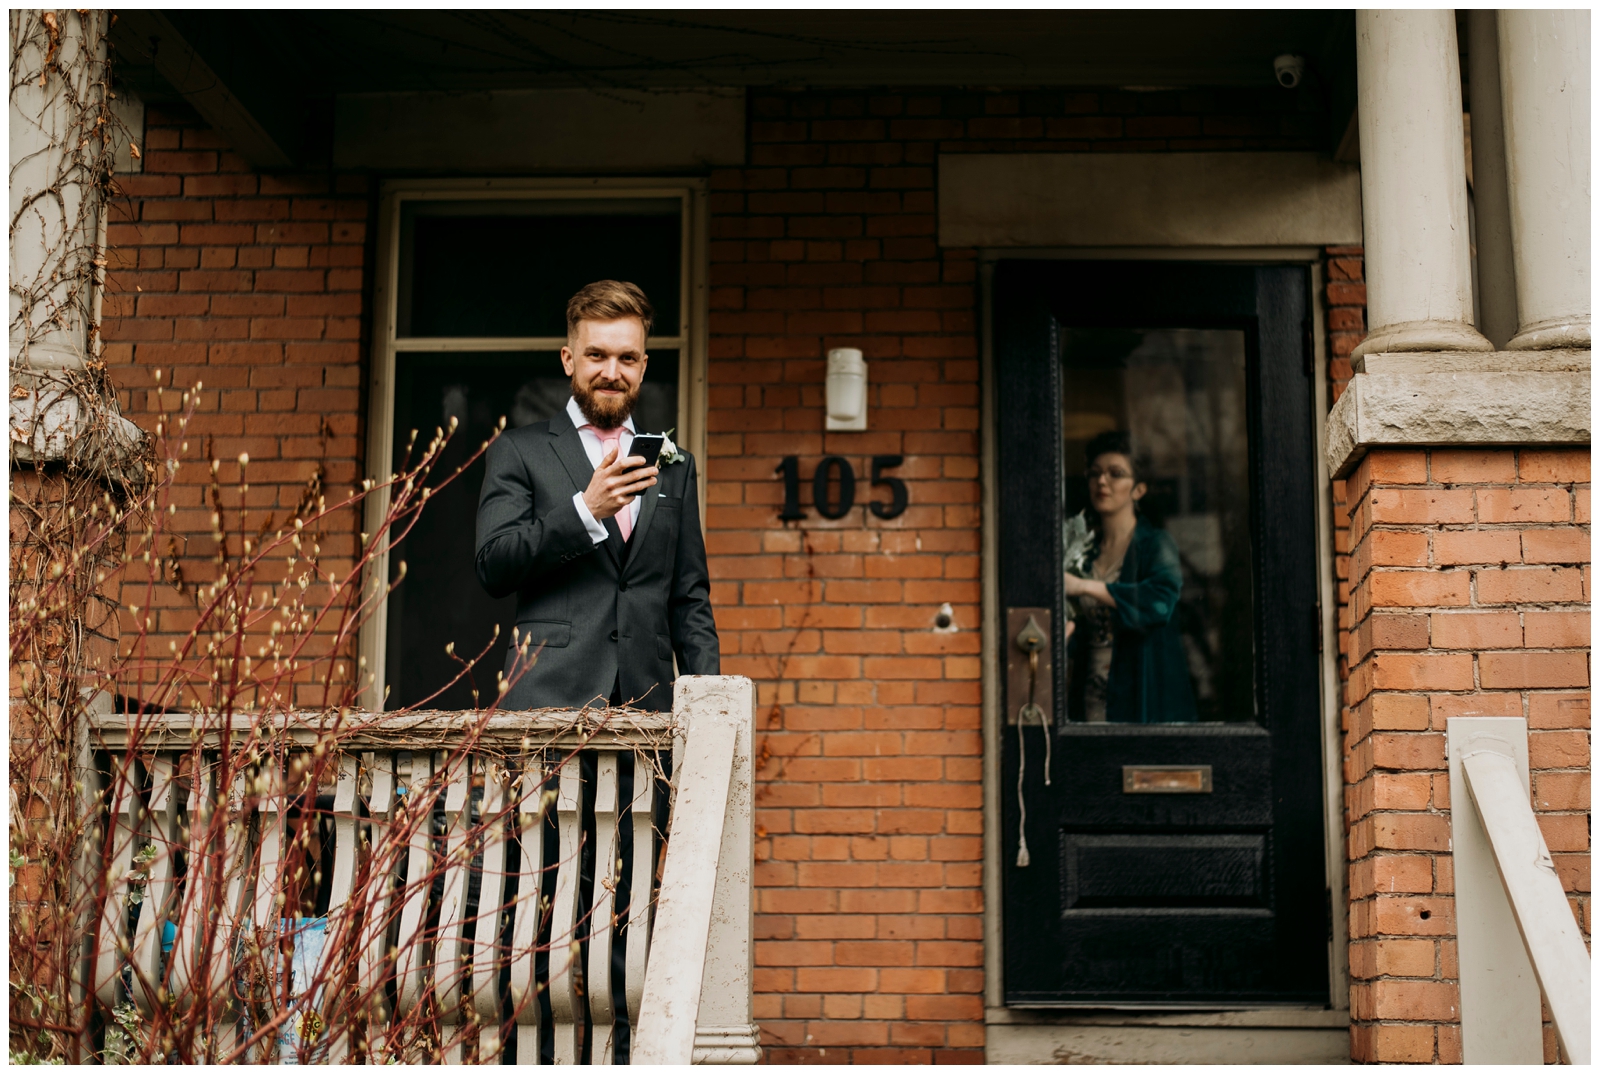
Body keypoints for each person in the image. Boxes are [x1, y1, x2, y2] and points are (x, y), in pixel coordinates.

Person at [475, 280, 718, 711]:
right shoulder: (518, 450)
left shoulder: (676, 465)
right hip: (547, 707)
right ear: (569, 360)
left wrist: (711, 706)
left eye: (627, 358)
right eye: (597, 355)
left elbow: (689, 600)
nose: (612, 372)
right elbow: (494, 566)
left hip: (649, 710)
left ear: (643, 366)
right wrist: (585, 511)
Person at [1063, 430, 1196, 724]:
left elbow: (1159, 603)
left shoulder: (1155, 544)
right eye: (1095, 473)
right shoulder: (1083, 551)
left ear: (1138, 489)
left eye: (1116, 473)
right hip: (1089, 696)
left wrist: (1084, 586)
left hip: (1140, 690)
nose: (1102, 481)